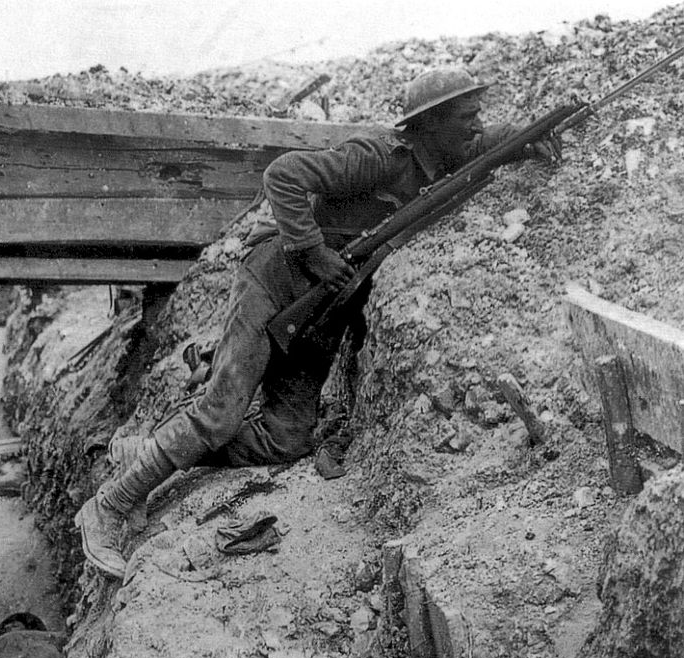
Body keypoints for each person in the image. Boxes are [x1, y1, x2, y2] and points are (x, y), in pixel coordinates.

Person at [75, 68, 562, 579]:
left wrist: (532, 137)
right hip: (275, 284)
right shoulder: (378, 158)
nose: (475, 124)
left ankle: (154, 451)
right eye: (466, 115)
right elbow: (284, 175)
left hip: (318, 317)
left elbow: (490, 141)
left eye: (476, 115)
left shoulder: (443, 159)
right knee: (220, 414)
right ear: (432, 123)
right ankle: (110, 506)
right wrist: (313, 251)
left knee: (287, 441)